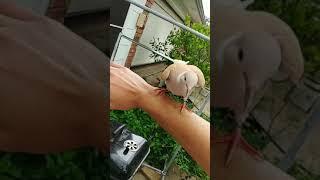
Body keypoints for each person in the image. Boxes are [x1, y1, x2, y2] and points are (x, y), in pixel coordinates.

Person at [0, 0, 211, 176]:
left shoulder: (192, 82)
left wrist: (144, 96)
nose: (188, 92)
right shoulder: (171, 72)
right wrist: (149, 95)